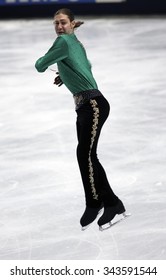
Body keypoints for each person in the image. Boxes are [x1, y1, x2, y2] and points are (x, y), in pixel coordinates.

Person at [35, 8, 126, 230]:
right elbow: (85, 68)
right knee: (88, 155)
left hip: (92, 105)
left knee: (84, 154)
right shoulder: (76, 43)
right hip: (88, 106)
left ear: (72, 23)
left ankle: (95, 203)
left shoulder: (64, 42)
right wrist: (65, 76)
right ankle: (112, 203)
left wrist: (47, 63)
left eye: (63, 22)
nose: (59, 27)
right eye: (56, 23)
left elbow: (40, 65)